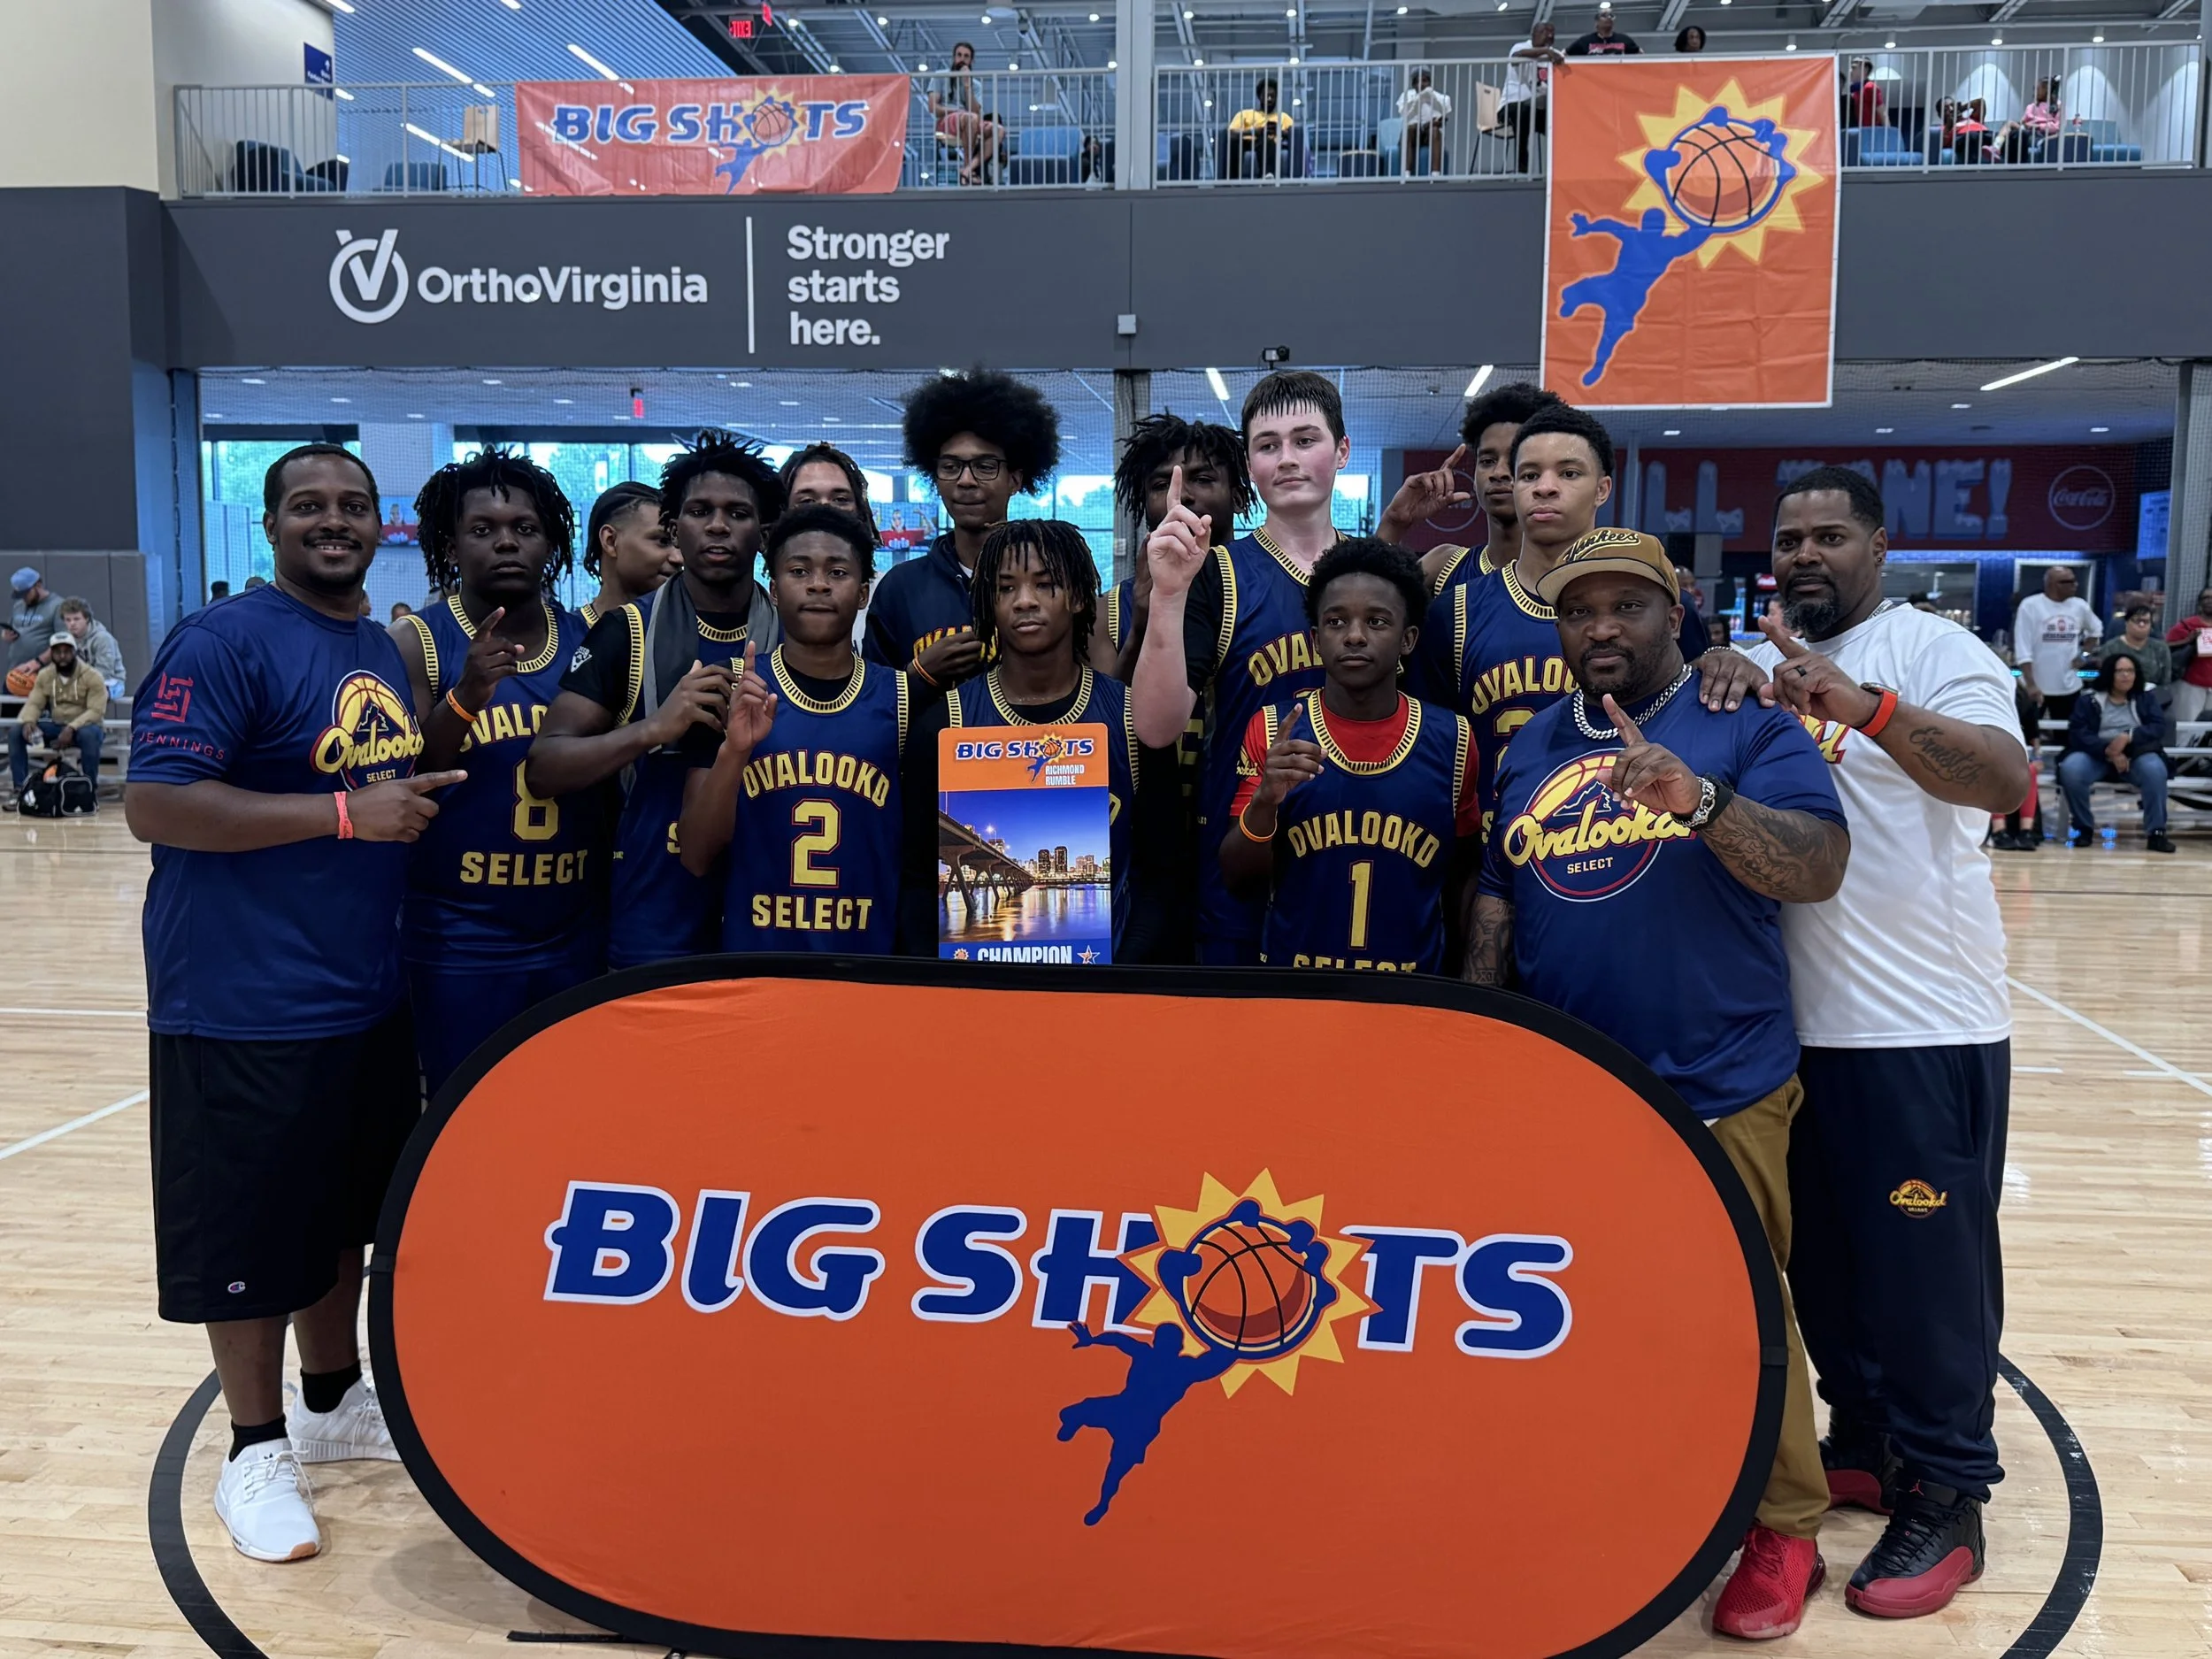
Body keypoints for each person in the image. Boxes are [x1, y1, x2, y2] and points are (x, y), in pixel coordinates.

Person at [1469, 527, 1846, 1640]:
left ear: (1672, 615)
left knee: (1742, 1316)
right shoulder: (1531, 745)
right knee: (1593, 1317)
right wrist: (1483, 1043)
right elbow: (1497, 894)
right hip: (1576, 1091)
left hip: (1717, 1076)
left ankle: (1785, 1527)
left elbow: (1818, 867)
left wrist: (1703, 802)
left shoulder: (1744, 721)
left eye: (1624, 607)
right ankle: (1628, 1496)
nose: (1600, 627)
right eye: (1577, 610)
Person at [124, 443, 459, 1565]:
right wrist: (341, 817)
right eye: (308, 505)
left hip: (360, 990)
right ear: (269, 525)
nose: (333, 520)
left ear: (380, 523)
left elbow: (375, 774)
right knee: (253, 1236)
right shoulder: (220, 642)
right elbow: (158, 803)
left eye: (353, 504)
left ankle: (329, 1398)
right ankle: (253, 1448)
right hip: (242, 997)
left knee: (339, 1216)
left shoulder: (374, 646)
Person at [1738, 465, 2032, 1619]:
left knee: (1927, 1281)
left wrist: (1863, 707)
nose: (1807, 554)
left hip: (1921, 1023)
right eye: (1790, 539)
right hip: (1795, 1030)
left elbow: (2003, 780)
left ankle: (1949, 1490)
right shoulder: (1756, 667)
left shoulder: (1933, 650)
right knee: (1826, 1268)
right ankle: (1868, 1440)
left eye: (1830, 535)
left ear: (1879, 545)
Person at [526, 431, 785, 969]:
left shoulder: (793, 634)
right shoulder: (627, 630)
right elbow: (544, 768)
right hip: (655, 920)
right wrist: (652, 728)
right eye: (700, 511)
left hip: (768, 915)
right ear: (675, 528)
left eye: (737, 513)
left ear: (763, 532)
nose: (718, 525)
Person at [390, 449, 603, 1095]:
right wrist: (466, 696)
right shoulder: (418, 640)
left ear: (551, 543)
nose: (506, 542)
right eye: (483, 529)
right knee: (463, 1114)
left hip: (574, 931)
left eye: (525, 528)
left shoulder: (593, 639)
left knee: (570, 1111)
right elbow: (404, 779)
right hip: (459, 935)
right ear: (451, 546)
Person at [1133, 370, 1349, 964]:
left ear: (1341, 451)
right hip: (1244, 861)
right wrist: (1168, 595)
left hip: (1359, 852)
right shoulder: (1218, 573)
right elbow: (1156, 727)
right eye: (1268, 445)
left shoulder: (1376, 572)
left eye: (1306, 440)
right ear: (1250, 465)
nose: (1287, 458)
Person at [929, 518, 1179, 961]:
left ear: (1078, 597)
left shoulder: (1133, 717)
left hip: (1107, 985)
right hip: (980, 990)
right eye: (1006, 588)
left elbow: (1162, 875)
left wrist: (1124, 972)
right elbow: (916, 879)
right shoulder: (950, 721)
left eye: (1044, 585)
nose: (1024, 600)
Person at [1223, 539, 1479, 972]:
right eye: (1336, 621)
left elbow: (1463, 876)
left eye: (1376, 621)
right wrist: (1265, 802)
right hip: (1295, 989)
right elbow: (1238, 880)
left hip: (1414, 993)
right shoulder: (1273, 729)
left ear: (1408, 639)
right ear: (1316, 639)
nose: (1355, 636)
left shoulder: (1453, 738)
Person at [677, 504, 908, 953]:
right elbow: (695, 856)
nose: (818, 584)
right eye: (799, 571)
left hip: (867, 967)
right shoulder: (729, 687)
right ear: (774, 590)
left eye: (837, 572)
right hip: (757, 965)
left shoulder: (899, 697)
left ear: (863, 593)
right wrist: (734, 752)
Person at [868, 367, 1063, 693]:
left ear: (1015, 480)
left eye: (985, 466)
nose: (966, 480)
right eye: (950, 467)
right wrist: (918, 676)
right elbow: (870, 702)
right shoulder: (900, 589)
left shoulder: (1055, 578)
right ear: (935, 478)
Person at [1397, 381, 1563, 705]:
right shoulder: (1444, 567)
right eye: (1487, 460)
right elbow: (1363, 608)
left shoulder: (1582, 578)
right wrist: (1395, 522)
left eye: (1515, 459)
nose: (1499, 472)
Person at [1101, 411, 1254, 682]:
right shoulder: (1108, 610)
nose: (1180, 495)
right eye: (1162, 485)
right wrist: (1140, 629)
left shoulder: (1271, 588)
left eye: (1203, 479)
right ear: (1145, 506)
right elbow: (1103, 708)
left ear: (1238, 498)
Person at [2061, 654, 2172, 852]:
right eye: (2120, 671)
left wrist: (2128, 737)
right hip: (2097, 754)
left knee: (2155, 770)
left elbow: (2158, 727)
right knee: (2071, 769)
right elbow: (2078, 732)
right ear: (2109, 674)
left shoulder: (2146, 697)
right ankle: (2083, 827)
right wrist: (2108, 751)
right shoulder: (2089, 699)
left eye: (2130, 671)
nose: (2126, 676)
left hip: (2136, 754)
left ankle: (2156, 832)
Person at [10, 631, 108, 801]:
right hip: (57, 725)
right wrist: (28, 721)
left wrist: (72, 728)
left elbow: (96, 711)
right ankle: (20, 788)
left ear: (75, 652)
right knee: (16, 732)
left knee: (89, 735)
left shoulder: (92, 676)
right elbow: (35, 703)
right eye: (57, 652)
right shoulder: (45, 675)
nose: (62, 656)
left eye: (67, 651)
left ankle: (89, 789)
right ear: (52, 654)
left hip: (85, 727)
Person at [579, 480, 680, 628]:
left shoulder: (688, 633)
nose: (679, 558)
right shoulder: (563, 634)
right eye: (663, 541)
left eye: (679, 544)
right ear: (610, 541)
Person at [2012, 565, 2099, 727]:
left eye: (2075, 581)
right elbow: (2023, 649)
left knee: (2067, 734)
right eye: (2068, 582)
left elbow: (2096, 631)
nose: (2075, 585)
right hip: (2036, 686)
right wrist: (2031, 684)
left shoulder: (2080, 606)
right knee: (2027, 733)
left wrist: (2084, 655)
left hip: (2069, 686)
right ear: (2052, 584)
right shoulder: (2030, 606)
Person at [930, 42, 1005, 184]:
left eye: (966, 56)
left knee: (999, 130)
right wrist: (956, 111)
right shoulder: (940, 76)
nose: (962, 59)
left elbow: (976, 112)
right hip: (946, 121)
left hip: (970, 120)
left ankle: (967, 170)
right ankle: (967, 168)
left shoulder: (975, 84)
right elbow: (933, 108)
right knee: (970, 117)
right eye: (959, 55)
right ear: (954, 57)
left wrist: (967, 85)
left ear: (971, 61)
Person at [1501, 23, 1563, 172]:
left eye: (1552, 33)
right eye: (1546, 32)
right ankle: (1523, 169)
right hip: (1512, 105)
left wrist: (1552, 54)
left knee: (1561, 122)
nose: (1550, 36)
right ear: (1535, 33)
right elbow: (1516, 57)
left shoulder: (1554, 54)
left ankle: (1561, 168)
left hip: (1539, 107)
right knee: (1523, 112)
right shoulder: (1520, 47)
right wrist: (1546, 51)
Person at [57, 597, 126, 699]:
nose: (72, 623)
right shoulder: (65, 639)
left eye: (76, 619)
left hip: (111, 682)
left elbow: (104, 672)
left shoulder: (102, 638)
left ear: (87, 619)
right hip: (78, 682)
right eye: (68, 620)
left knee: (93, 693)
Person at [1227, 78, 1296, 179]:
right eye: (1266, 96)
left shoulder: (1284, 117)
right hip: (1247, 143)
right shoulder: (1245, 114)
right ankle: (1232, 179)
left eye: (1272, 96)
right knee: (1233, 142)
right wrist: (1254, 131)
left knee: (1267, 139)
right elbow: (1231, 133)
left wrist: (1280, 132)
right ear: (1260, 97)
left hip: (1271, 144)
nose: (1269, 99)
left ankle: (1268, 175)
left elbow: (1296, 135)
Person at [2096, 603, 2172, 690]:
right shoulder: (2110, 648)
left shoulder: (2161, 648)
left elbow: (2166, 682)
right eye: (2137, 621)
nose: (2142, 625)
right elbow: (2105, 679)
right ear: (2126, 623)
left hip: (2152, 694)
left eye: (2146, 622)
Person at [2164, 587, 2212, 726]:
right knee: (2186, 728)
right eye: (2206, 598)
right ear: (2199, 603)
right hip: (2190, 685)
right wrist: (2187, 641)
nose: (2210, 601)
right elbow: (2165, 648)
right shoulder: (2185, 625)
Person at [1395, 67, 1452, 176]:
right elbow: (1405, 115)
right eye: (1417, 81)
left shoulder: (1440, 97)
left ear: (1429, 82)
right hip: (1412, 134)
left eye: (1424, 81)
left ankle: (1435, 174)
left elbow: (1443, 117)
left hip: (1429, 134)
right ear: (1413, 84)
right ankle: (1406, 174)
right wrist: (1417, 100)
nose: (1421, 84)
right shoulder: (1406, 96)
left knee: (1435, 131)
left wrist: (1432, 98)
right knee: (1411, 128)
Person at [5, 568, 63, 673]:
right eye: (20, 595)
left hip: (43, 672)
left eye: (26, 593)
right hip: (16, 671)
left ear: (38, 585)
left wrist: (38, 662)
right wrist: (6, 635)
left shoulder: (58, 606)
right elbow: (10, 629)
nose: (23, 598)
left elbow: (62, 641)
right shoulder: (18, 606)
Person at [1565, 8, 1640, 55]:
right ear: (1597, 21)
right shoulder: (1585, 41)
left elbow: (1640, 56)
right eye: (1604, 16)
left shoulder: (1624, 40)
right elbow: (1565, 54)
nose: (1609, 18)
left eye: (1611, 16)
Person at [1844, 58, 1885, 127]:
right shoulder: (1857, 90)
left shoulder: (1869, 87)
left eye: (1853, 67)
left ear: (1865, 70)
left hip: (1871, 130)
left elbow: (1883, 113)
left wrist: (1888, 132)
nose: (1850, 71)